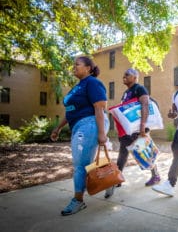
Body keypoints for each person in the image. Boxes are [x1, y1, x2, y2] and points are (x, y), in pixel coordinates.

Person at [50, 56, 109, 216]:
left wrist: (102, 134)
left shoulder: (93, 83)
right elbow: (70, 111)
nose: (73, 67)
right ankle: (105, 179)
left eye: (77, 64)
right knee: (84, 162)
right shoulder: (78, 87)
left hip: (90, 123)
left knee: (79, 164)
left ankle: (78, 200)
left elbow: (99, 108)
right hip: (78, 125)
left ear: (89, 68)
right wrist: (58, 128)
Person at [104, 68, 161, 199]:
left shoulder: (139, 89)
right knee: (123, 154)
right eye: (124, 74)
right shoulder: (126, 92)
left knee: (144, 153)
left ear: (135, 77)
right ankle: (117, 179)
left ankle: (155, 175)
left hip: (137, 130)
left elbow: (145, 105)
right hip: (127, 131)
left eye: (127, 75)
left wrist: (142, 127)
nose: (124, 76)